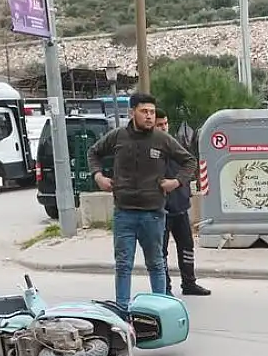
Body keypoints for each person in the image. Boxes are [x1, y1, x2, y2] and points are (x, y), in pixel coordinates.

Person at [88, 93, 197, 314]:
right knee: (123, 265)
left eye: (152, 112)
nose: (149, 116)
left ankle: (161, 311)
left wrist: (176, 182)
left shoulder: (161, 139)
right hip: (124, 213)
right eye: (144, 111)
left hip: (153, 214)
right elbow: (93, 153)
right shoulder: (118, 137)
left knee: (156, 263)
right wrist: (98, 176)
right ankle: (122, 311)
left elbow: (189, 161)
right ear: (132, 113)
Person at [155, 111, 210, 297]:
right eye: (159, 124)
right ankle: (165, 288)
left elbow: (189, 165)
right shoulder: (150, 149)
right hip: (160, 209)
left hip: (180, 204)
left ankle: (189, 283)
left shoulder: (175, 144)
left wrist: (180, 184)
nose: (164, 127)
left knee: (187, 246)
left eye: (165, 123)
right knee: (160, 252)